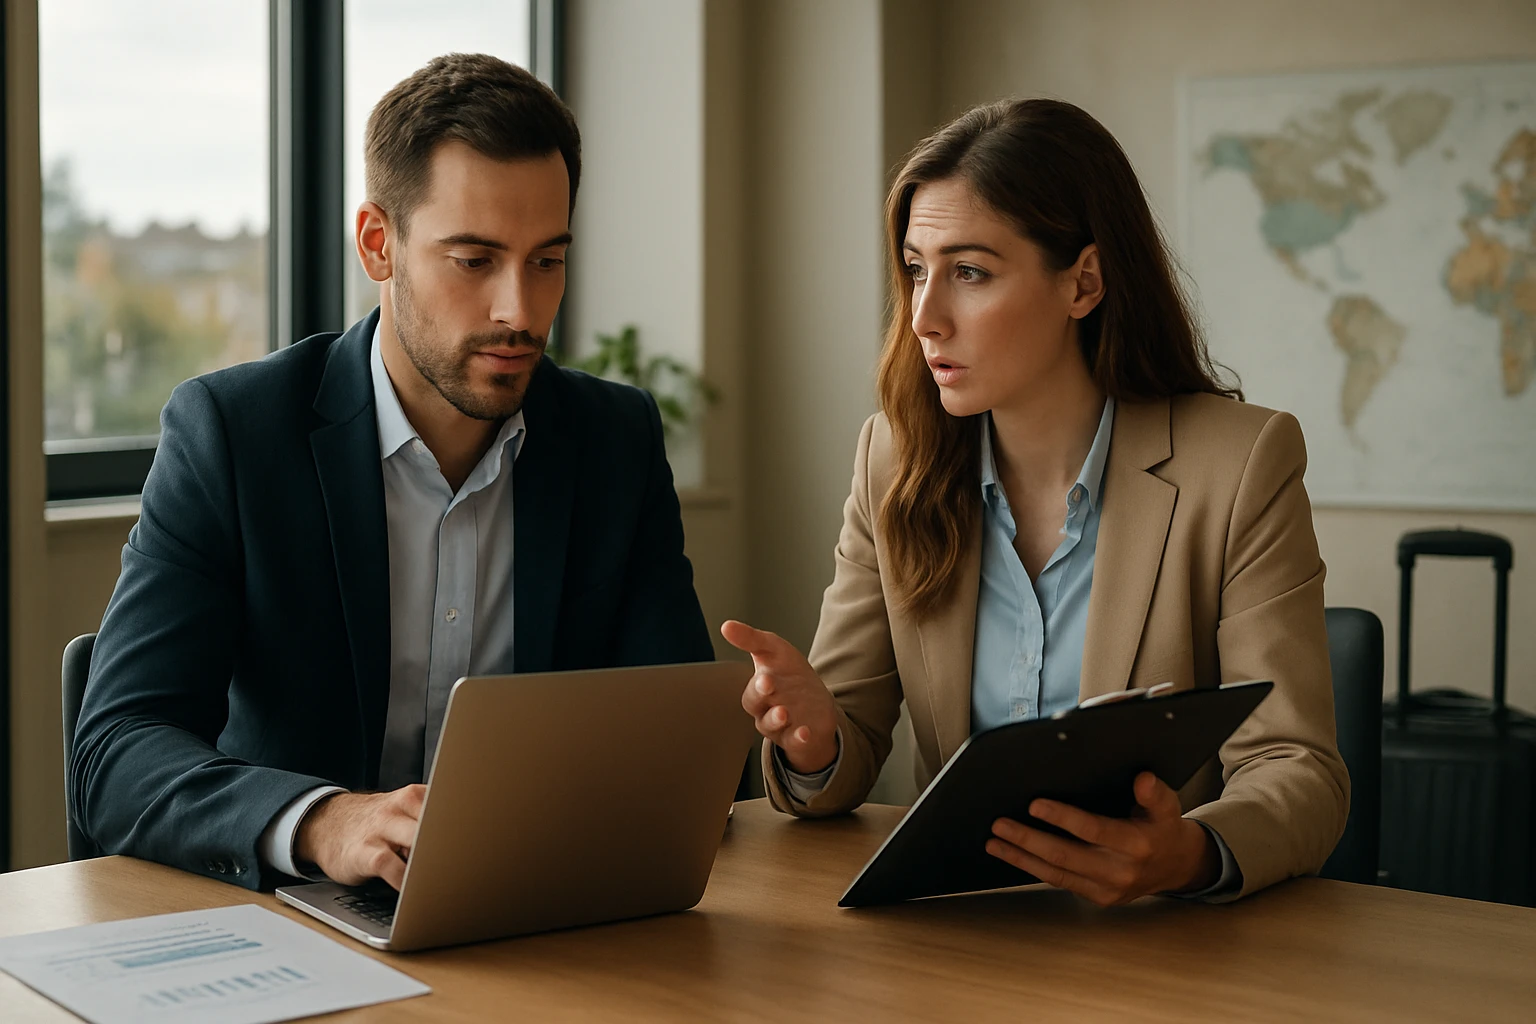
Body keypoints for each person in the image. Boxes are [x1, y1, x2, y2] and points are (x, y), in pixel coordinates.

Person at [69, 54, 713, 892]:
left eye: (547, 261)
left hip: (532, 920)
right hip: (294, 919)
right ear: (380, 244)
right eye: (474, 260)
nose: (519, 310)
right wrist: (323, 821)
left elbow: (678, 751)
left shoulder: (611, 441)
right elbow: (116, 750)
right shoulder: (234, 434)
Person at [723, 98, 1347, 905]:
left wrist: (1190, 854)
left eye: (970, 272)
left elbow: (1300, 769)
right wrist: (813, 742)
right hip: (957, 934)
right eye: (916, 270)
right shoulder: (892, 457)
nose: (924, 317)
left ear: (1083, 281)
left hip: (1160, 949)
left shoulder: (1240, 464)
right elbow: (851, 739)